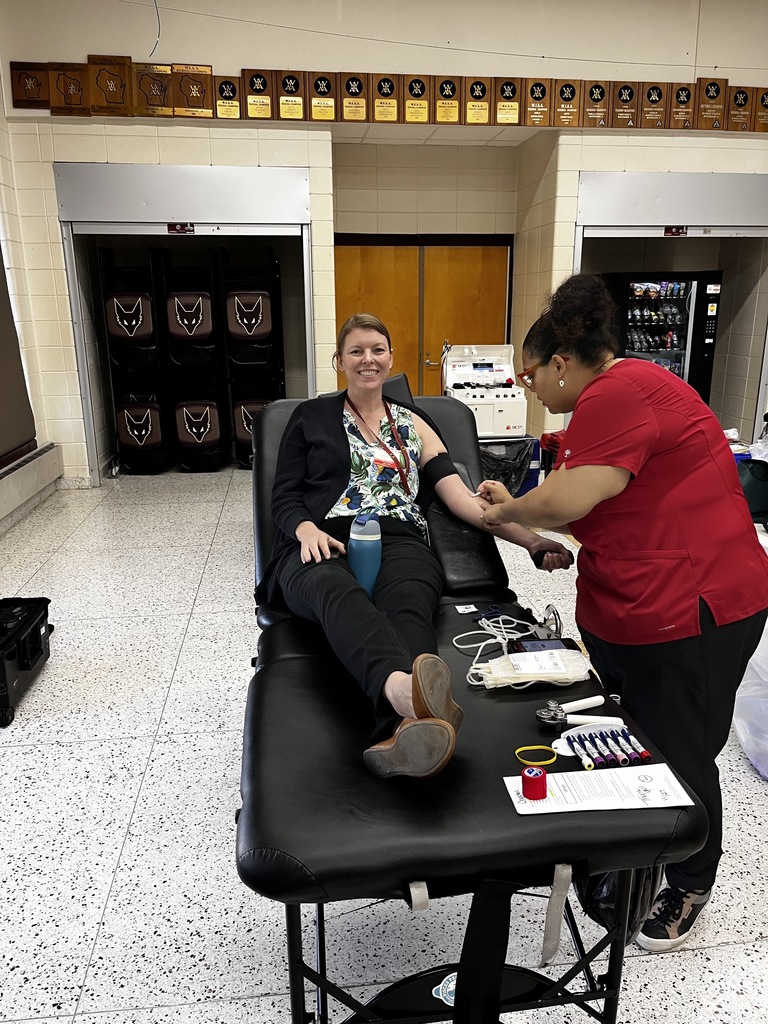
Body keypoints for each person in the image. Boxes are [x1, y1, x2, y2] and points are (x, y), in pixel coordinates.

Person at [479, 274, 768, 952]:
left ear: (559, 362)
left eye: (529, 377)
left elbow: (572, 500)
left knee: (683, 752)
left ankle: (690, 883)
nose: (530, 392)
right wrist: (527, 500)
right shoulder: (624, 394)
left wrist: (508, 512)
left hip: (694, 606)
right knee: (639, 739)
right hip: (643, 604)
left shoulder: (617, 391)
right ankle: (637, 852)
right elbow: (606, 492)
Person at [259, 312, 573, 780]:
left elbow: (463, 501)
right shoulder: (311, 418)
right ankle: (412, 701)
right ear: (339, 361)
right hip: (322, 536)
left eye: (377, 350)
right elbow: (282, 496)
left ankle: (404, 729)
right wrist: (305, 530)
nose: (368, 359)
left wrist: (530, 540)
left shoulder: (414, 423)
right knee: (338, 593)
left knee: (408, 604)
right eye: (356, 351)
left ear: (390, 358)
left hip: (399, 535)